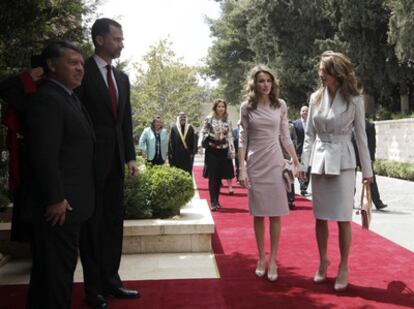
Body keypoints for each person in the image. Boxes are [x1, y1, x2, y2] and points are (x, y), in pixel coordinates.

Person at [24, 40, 95, 309]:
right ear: (51, 65)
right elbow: (44, 154)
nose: (80, 68)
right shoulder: (48, 99)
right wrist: (55, 197)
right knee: (55, 278)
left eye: (81, 64)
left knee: (52, 275)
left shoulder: (69, 97)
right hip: (58, 208)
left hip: (70, 205)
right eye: (72, 63)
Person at [75, 18, 139, 308]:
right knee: (93, 227)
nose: (122, 44)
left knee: (114, 224)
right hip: (89, 165)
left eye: (122, 39)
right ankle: (94, 289)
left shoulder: (122, 78)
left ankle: (112, 282)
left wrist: (130, 157)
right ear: (99, 40)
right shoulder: (80, 74)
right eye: (117, 39)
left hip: (115, 165)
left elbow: (124, 122)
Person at [298, 51, 373, 292]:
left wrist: (368, 173)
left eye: (325, 72)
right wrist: (303, 164)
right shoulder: (314, 98)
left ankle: (343, 265)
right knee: (320, 217)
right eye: (320, 72)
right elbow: (309, 136)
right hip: (320, 160)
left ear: (337, 73)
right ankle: (323, 261)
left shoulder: (354, 99)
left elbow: (361, 136)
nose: (321, 76)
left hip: (343, 162)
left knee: (343, 219)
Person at [238, 65, 299, 282]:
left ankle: (273, 258)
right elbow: (242, 139)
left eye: (268, 81)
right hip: (255, 163)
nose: (265, 84)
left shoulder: (280, 105)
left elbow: (285, 136)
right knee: (258, 213)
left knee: (275, 213)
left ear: (273, 83)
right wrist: (242, 168)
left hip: (275, 162)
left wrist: (296, 160)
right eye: (261, 81)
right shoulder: (247, 107)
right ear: (254, 84)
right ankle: (261, 257)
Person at [0, 65, 44, 242]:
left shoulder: (58, 89)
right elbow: (4, 89)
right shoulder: (28, 91)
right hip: (30, 157)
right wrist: (27, 77)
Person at [198, 98, 235, 211]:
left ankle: (217, 200)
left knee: (219, 177)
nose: (221, 108)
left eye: (223, 106)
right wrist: (200, 145)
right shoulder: (209, 119)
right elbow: (203, 131)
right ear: (215, 107)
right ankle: (213, 201)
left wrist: (232, 150)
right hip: (212, 150)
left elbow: (230, 136)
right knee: (213, 176)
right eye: (219, 106)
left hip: (223, 150)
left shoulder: (227, 120)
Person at [353, 118, 387, 209]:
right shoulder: (349, 124)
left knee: (371, 179)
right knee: (350, 179)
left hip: (365, 156)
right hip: (352, 155)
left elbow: (372, 144)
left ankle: (377, 202)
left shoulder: (369, 126)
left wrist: (371, 158)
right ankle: (349, 201)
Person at [293, 105, 310, 195]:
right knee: (300, 167)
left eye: (307, 111)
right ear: (300, 112)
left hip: (310, 150)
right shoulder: (295, 123)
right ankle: (302, 186)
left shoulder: (312, 124)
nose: (305, 112)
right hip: (299, 149)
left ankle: (305, 185)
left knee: (309, 169)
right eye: (303, 111)